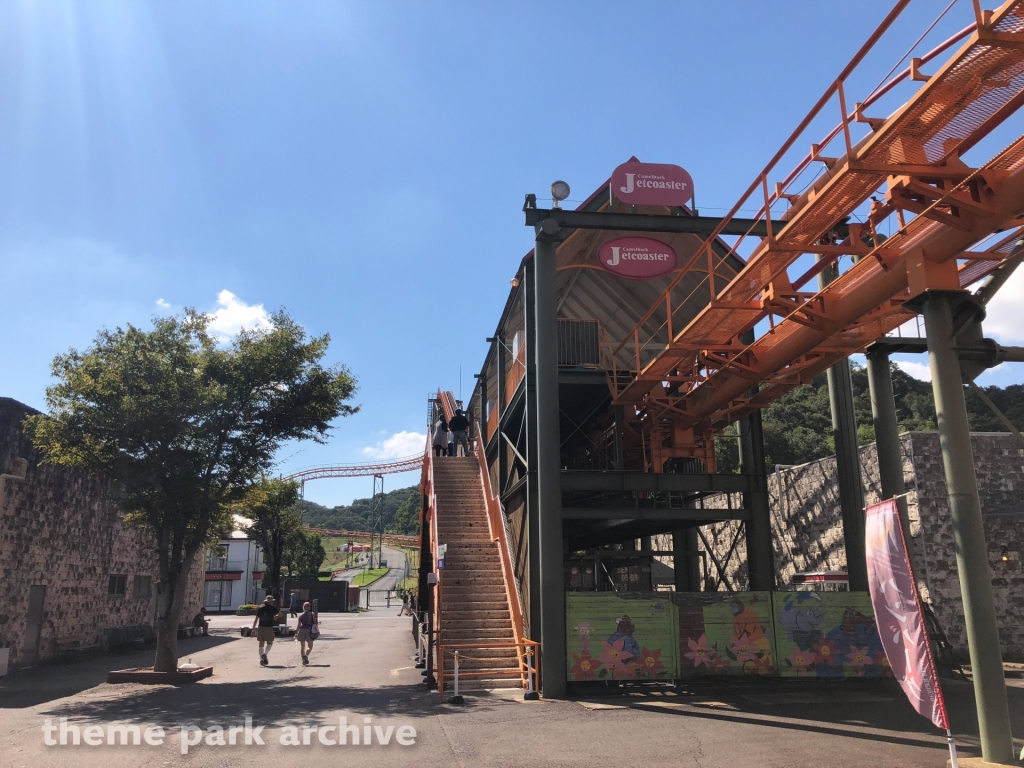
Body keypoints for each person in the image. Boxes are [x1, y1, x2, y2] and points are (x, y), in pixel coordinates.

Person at [252, 595, 279, 666]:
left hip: (261, 627)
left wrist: (253, 628)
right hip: (269, 627)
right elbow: (280, 614)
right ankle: (265, 654)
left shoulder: (261, 609)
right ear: (271, 602)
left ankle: (261, 659)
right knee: (270, 642)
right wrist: (275, 617)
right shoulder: (273, 609)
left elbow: (256, 619)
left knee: (261, 643)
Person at [296, 601, 318, 666]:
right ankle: (306, 655)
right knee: (310, 646)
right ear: (309, 607)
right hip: (309, 630)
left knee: (302, 647)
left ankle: (303, 660)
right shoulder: (312, 614)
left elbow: (299, 625)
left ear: (303, 607)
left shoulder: (301, 615)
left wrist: (296, 632)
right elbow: (315, 622)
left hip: (302, 630)